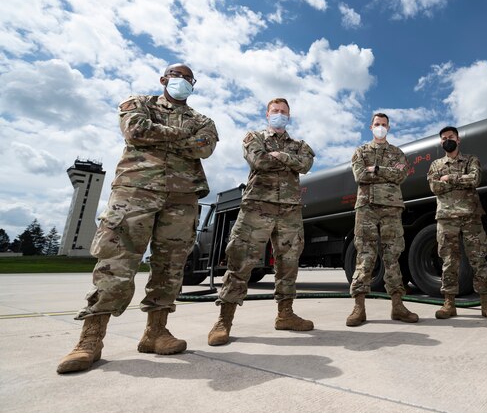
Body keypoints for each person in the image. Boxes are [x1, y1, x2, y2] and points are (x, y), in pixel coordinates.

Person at [57, 63, 219, 374]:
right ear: (163, 79)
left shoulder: (203, 120)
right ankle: (90, 339)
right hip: (136, 191)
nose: (182, 81)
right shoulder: (139, 103)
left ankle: (155, 332)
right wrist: (181, 136)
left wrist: (163, 136)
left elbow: (205, 147)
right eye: (176, 75)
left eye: (188, 78)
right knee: (116, 262)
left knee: (171, 267)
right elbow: (135, 130)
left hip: (181, 198)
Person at [208, 98, 315, 345]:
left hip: (289, 209)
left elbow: (306, 164)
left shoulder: (300, 144)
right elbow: (258, 160)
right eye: (275, 111)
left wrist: (280, 156)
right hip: (258, 205)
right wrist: (288, 160)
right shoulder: (253, 137)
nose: (280, 114)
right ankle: (224, 320)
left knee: (288, 263)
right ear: (267, 115)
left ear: (290, 115)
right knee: (241, 260)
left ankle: (285, 315)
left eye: (284, 112)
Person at [345, 113, 418, 326]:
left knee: (392, 256)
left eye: (384, 125)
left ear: (389, 127)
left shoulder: (397, 153)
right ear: (371, 127)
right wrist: (387, 172)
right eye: (377, 124)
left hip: (391, 209)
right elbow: (360, 175)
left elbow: (401, 175)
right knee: (365, 256)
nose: (380, 127)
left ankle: (398, 306)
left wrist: (375, 169)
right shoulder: (361, 151)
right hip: (366, 208)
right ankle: (359, 307)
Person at [427, 126, 487, 320]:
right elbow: (435, 186)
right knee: (449, 261)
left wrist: (449, 178)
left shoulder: (470, 159)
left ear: (458, 140)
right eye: (443, 138)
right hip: (446, 218)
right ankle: (449, 304)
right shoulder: (435, 165)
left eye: (450, 137)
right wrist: (460, 180)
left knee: (479, 259)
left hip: (470, 216)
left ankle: (486, 304)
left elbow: (475, 179)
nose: (447, 140)